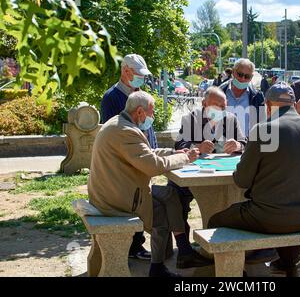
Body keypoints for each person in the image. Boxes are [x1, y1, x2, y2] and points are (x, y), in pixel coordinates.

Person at [208, 83, 300, 277]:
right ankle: (289, 266)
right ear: (293, 103)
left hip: (269, 217)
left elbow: (242, 180)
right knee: (284, 214)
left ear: (268, 106)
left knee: (215, 221)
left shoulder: (264, 130)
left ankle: (236, 273)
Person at [88, 91, 202, 277]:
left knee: (170, 194)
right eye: (152, 112)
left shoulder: (120, 123)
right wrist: (185, 158)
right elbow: (153, 166)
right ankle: (157, 269)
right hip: (117, 198)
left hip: (115, 189)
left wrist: (177, 151)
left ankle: (182, 249)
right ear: (140, 112)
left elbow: (147, 152)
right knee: (161, 212)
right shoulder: (126, 132)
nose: (153, 116)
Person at [169, 87, 246, 253]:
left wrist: (238, 145)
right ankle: (184, 248)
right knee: (173, 193)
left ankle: (236, 244)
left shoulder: (231, 119)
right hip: (197, 174)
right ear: (204, 104)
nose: (221, 110)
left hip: (226, 175)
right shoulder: (191, 119)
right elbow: (180, 145)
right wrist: (197, 147)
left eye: (223, 107)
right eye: (216, 106)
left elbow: (245, 142)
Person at [100, 53, 158, 260]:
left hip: (143, 156)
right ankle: (131, 247)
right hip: (127, 161)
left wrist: (153, 149)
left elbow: (148, 128)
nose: (141, 79)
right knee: (131, 200)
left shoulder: (140, 94)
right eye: (138, 75)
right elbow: (115, 132)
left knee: (141, 198)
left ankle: (137, 245)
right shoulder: (111, 98)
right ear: (125, 71)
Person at [219, 58, 265, 138]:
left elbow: (262, 124)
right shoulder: (219, 92)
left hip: (248, 146)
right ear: (233, 72)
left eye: (247, 76)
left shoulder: (258, 97)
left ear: (251, 77)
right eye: (240, 74)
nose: (243, 79)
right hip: (222, 146)